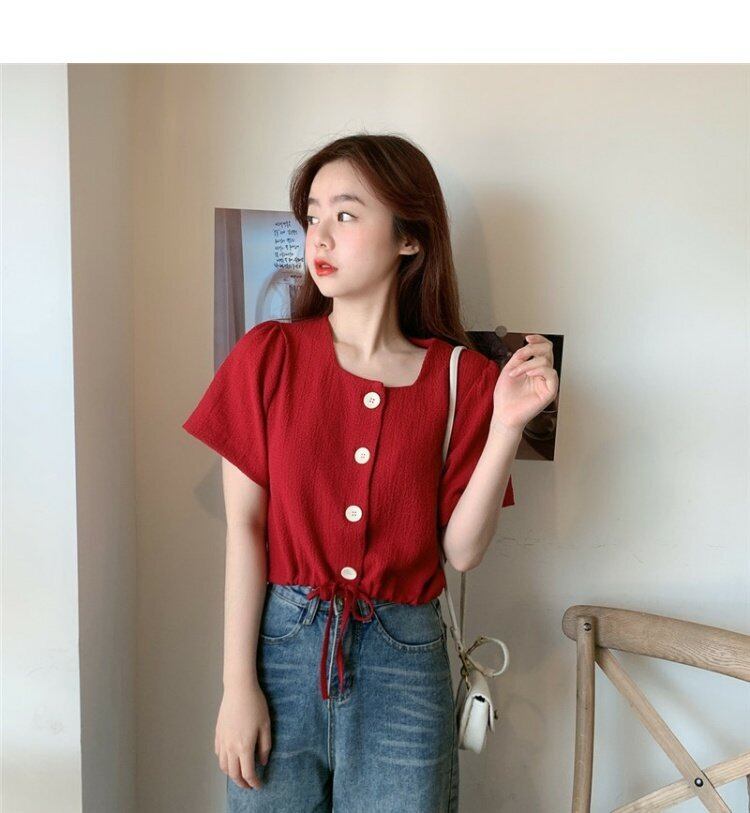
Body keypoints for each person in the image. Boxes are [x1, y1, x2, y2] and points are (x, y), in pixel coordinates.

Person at [182, 133, 558, 812]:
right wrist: (238, 686)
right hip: (281, 651)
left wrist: (506, 426)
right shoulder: (267, 356)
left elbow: (462, 552)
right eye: (313, 216)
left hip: (405, 661)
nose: (320, 236)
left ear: (409, 237)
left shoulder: (463, 378)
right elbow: (245, 528)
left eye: (346, 214)